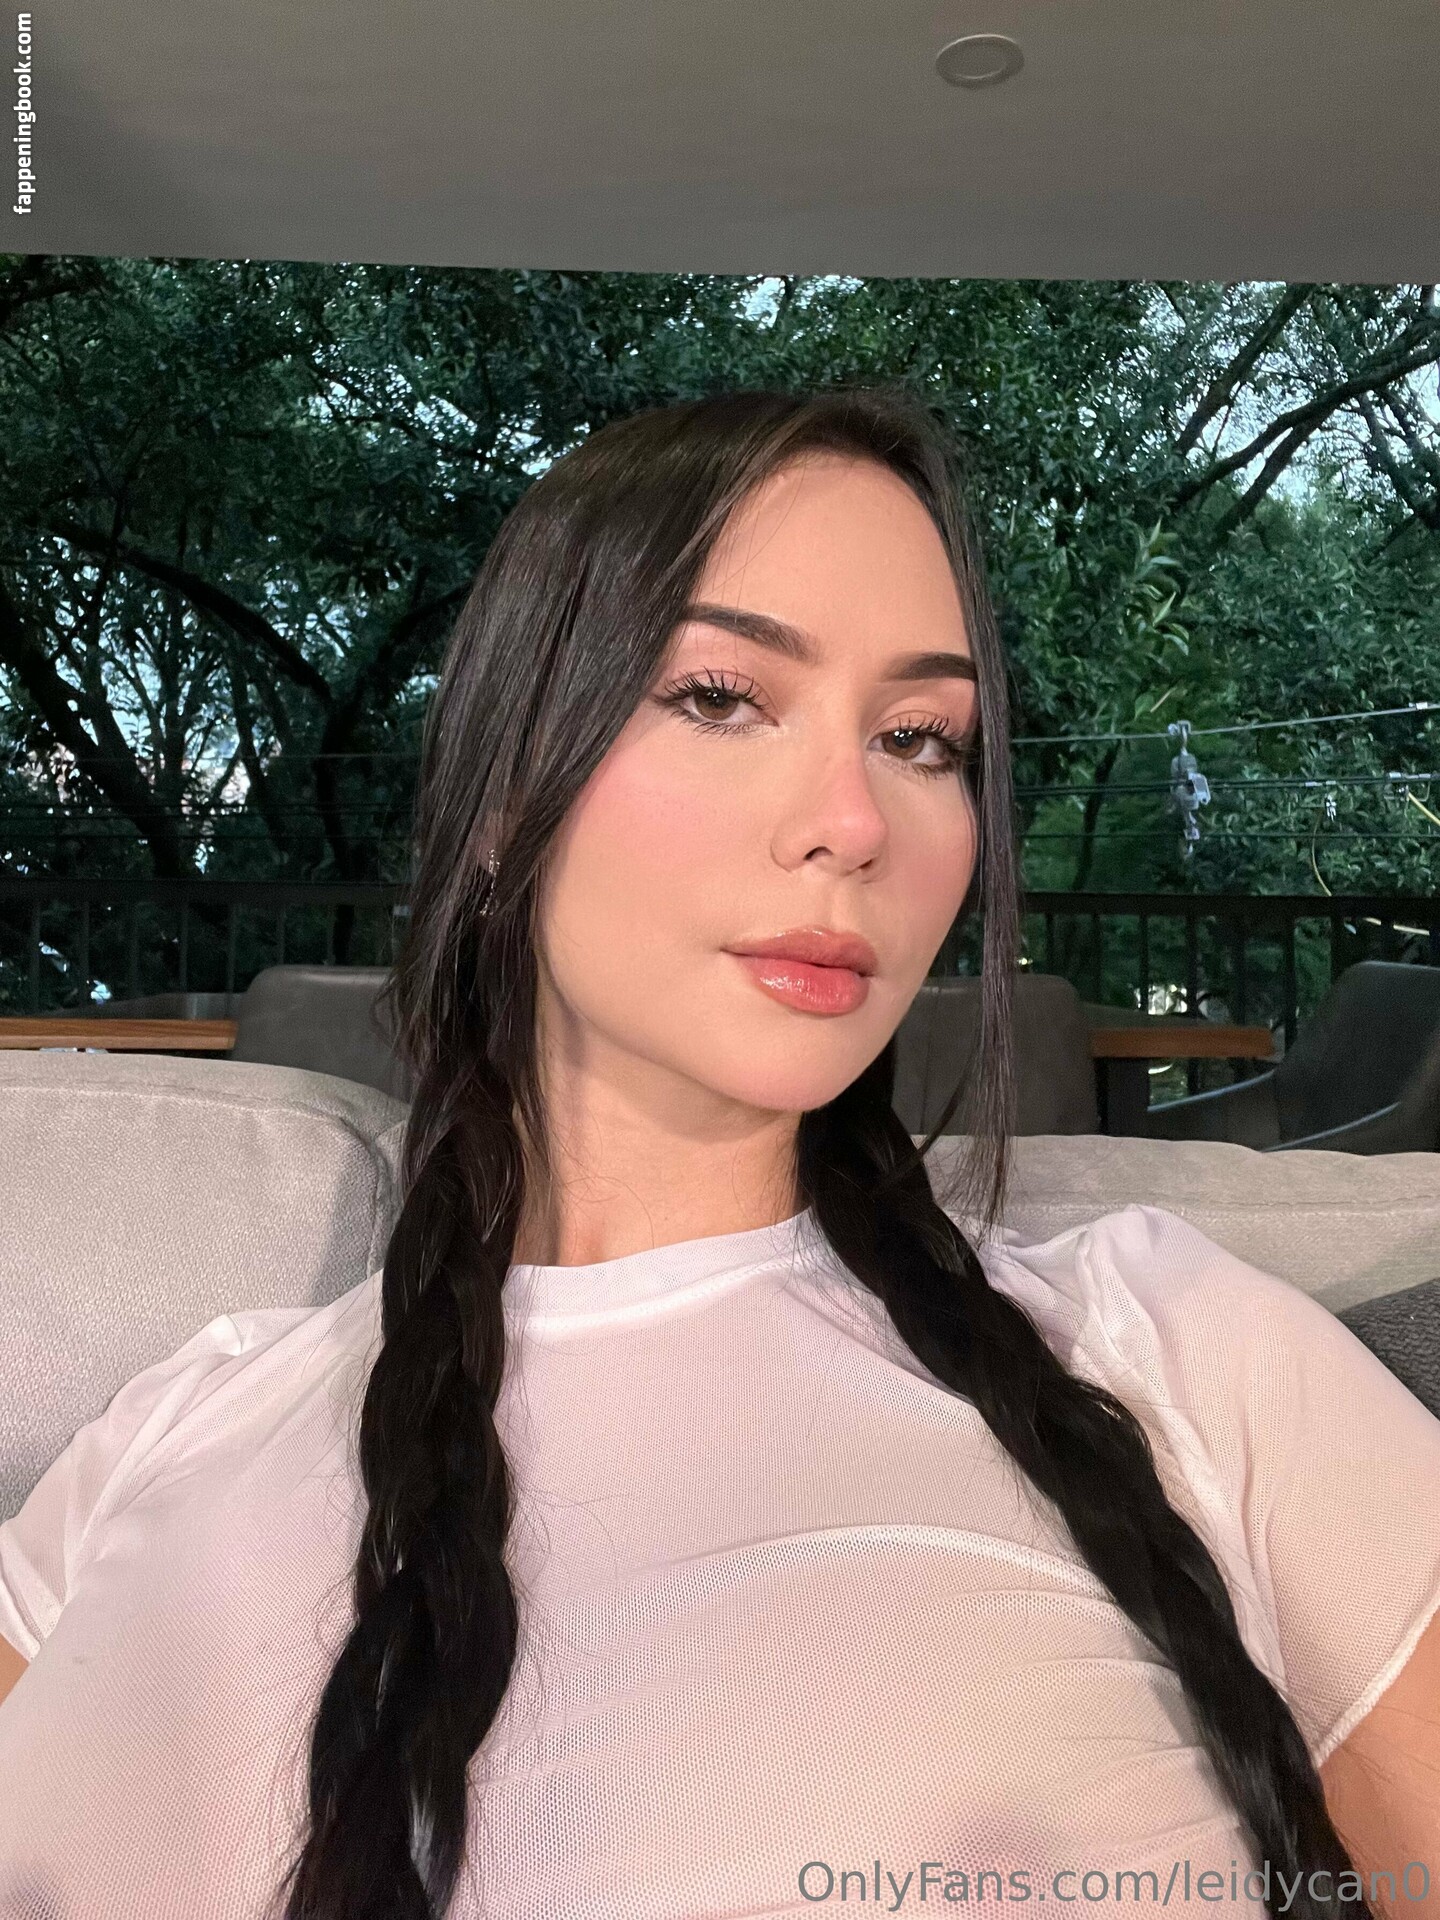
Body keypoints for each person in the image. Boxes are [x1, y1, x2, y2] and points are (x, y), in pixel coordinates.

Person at [0, 385, 1437, 1920]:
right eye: (722, 697)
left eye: (920, 737)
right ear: (499, 793)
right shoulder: (170, 1438)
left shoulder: (1180, 1356)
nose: (854, 821)